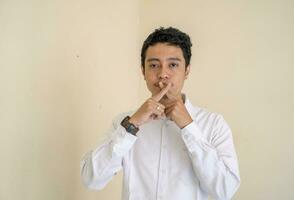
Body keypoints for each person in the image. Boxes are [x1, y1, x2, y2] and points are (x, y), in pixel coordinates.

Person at [80, 27, 240, 200]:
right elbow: (91, 179)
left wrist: (189, 127)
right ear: (143, 71)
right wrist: (131, 126)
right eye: (154, 65)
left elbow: (225, 190)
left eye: (173, 65)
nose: (163, 74)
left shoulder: (213, 123)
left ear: (187, 71)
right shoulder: (124, 122)